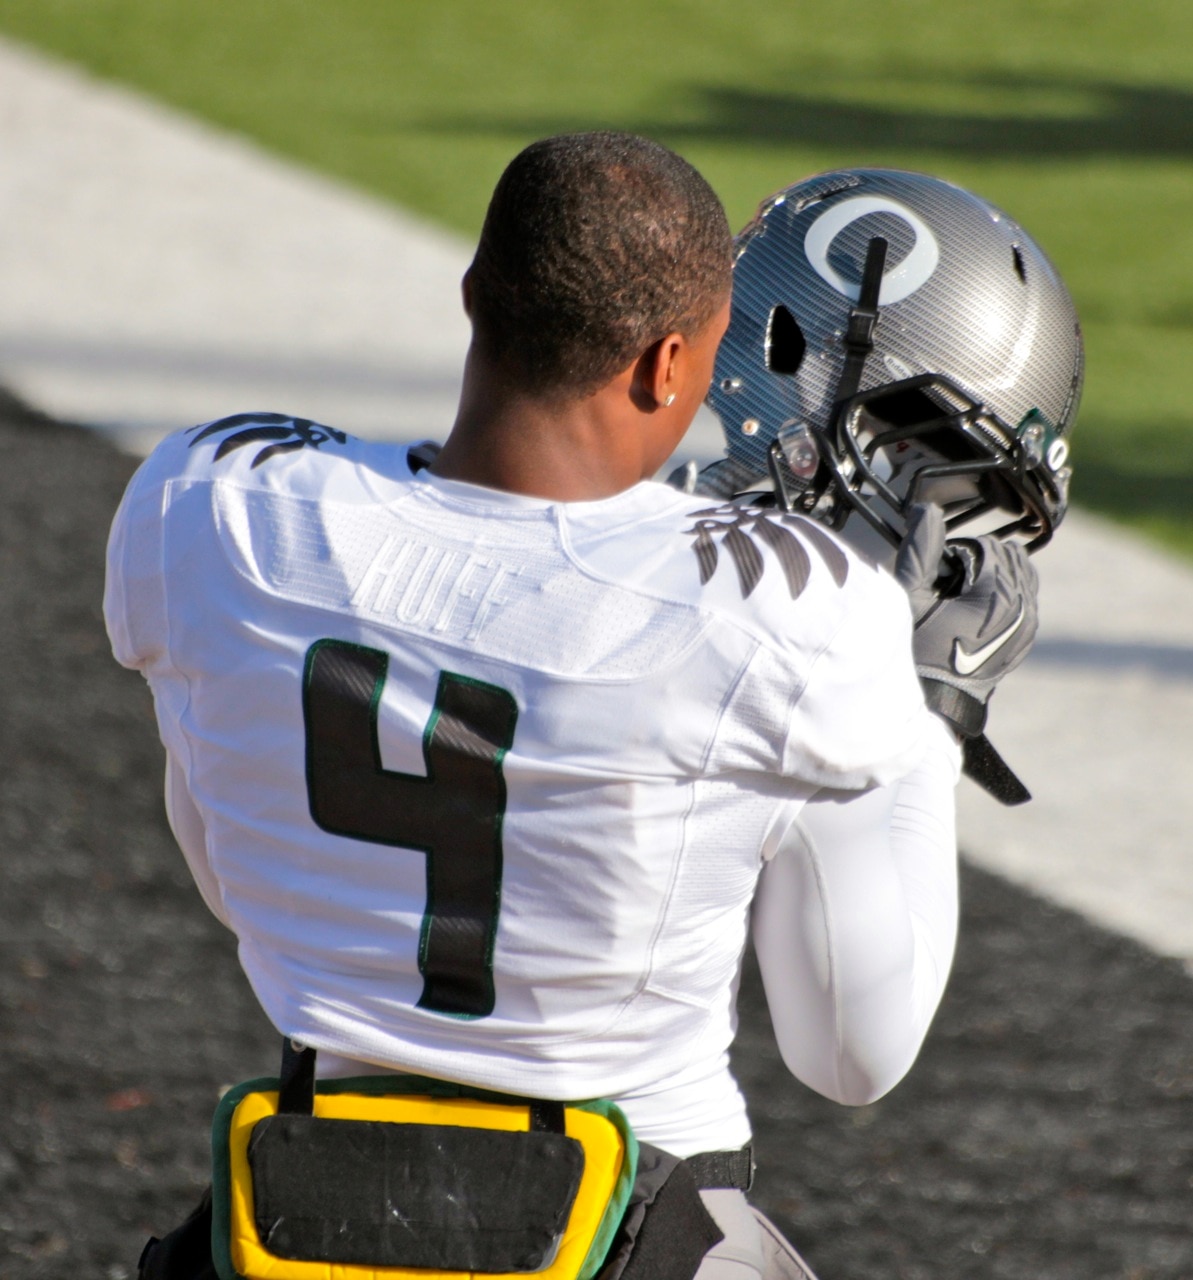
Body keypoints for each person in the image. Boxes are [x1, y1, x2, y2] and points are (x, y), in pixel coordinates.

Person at [105, 134, 1042, 1279]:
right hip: (629, 1225)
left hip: (296, 1220)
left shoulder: (209, 500)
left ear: (472, 297)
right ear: (664, 365)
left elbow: (226, 854)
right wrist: (922, 718)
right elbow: (852, 1051)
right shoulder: (794, 602)